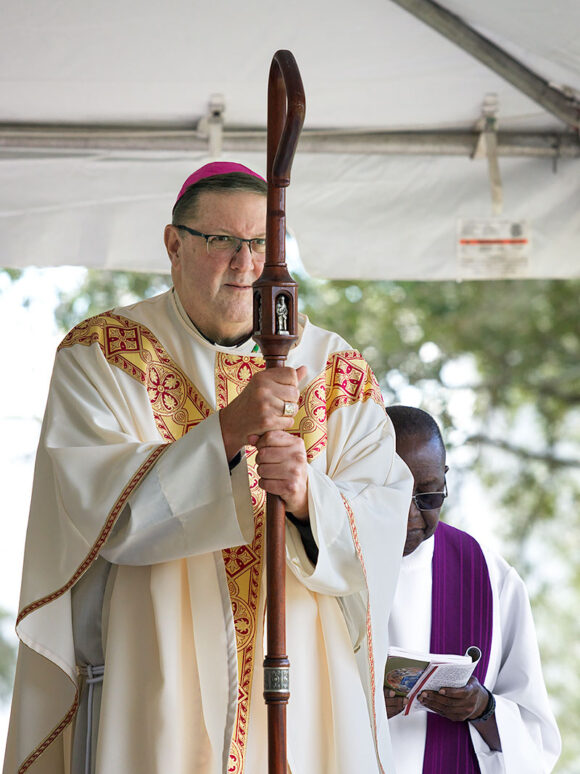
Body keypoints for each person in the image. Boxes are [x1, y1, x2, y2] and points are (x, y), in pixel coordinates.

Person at [4, 162, 413, 774]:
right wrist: (225, 430)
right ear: (174, 243)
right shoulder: (104, 354)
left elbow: (383, 521)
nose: (246, 264)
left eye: (260, 244)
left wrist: (307, 500)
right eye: (221, 241)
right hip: (157, 660)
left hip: (302, 677)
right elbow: (101, 522)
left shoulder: (336, 369)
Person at [383, 405, 561, 774]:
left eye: (429, 496)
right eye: (395, 494)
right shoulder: (321, 562)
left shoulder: (491, 577)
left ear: (445, 480)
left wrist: (482, 708)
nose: (411, 515)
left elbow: (536, 741)